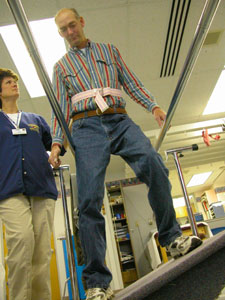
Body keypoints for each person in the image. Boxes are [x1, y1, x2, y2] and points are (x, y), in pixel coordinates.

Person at [49, 8, 202, 300]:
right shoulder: (60, 67)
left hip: (120, 120)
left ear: (82, 22)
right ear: (60, 34)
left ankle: (171, 239)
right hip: (86, 127)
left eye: (72, 25)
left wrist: (152, 106)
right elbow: (61, 110)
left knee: (155, 166)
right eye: (63, 30)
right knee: (89, 200)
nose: (70, 32)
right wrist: (58, 143)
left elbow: (131, 82)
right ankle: (97, 281)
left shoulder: (109, 50)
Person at [0, 68, 58, 300]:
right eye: (7, 82)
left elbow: (54, 141)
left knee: (42, 252)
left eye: (15, 80)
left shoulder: (35, 120)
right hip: (9, 191)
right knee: (21, 242)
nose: (14, 84)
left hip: (41, 188)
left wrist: (55, 150)